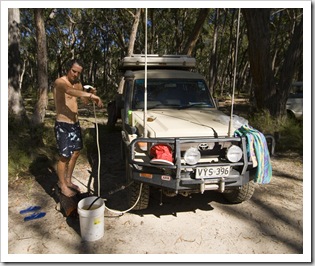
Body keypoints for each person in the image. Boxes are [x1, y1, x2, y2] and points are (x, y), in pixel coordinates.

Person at [53, 59, 103, 197]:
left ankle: (68, 180)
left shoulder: (78, 84)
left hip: (75, 123)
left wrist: (90, 95)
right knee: (64, 156)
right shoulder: (60, 82)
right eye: (73, 71)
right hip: (62, 124)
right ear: (68, 69)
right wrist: (91, 95)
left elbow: (84, 101)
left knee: (75, 153)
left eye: (78, 73)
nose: (75, 74)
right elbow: (69, 91)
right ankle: (62, 184)